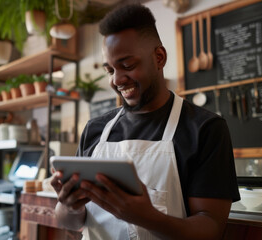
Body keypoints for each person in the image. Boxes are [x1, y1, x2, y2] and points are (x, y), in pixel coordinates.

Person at [51, 3, 240, 240]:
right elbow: (70, 223)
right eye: (110, 70)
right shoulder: (95, 129)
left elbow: (211, 228)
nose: (117, 80)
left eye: (127, 65)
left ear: (159, 57)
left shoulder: (205, 129)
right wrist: (69, 206)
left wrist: (146, 217)